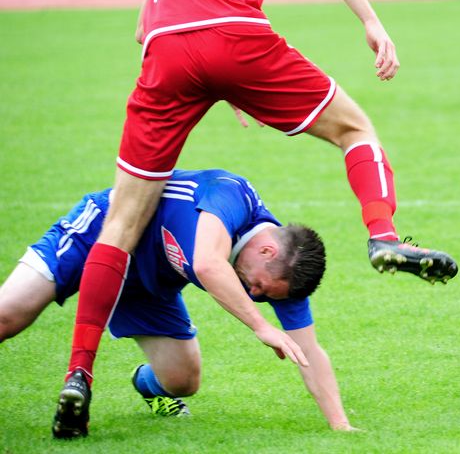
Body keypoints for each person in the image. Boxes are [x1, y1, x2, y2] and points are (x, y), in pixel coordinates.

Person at [52, 0, 457, 438]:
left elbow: (146, 24)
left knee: (121, 222)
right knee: (355, 129)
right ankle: (383, 236)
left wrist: (212, 87)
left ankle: (79, 373)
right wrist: (371, 22)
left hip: (166, 54)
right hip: (236, 38)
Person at [0, 168, 354, 437]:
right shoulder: (233, 195)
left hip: (149, 284)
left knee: (184, 380)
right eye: (260, 287)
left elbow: (308, 352)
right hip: (100, 232)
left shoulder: (283, 278)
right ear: (266, 250)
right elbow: (206, 263)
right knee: (8, 316)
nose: (256, 295)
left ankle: (146, 385)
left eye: (263, 296)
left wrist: (340, 426)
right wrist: (262, 327)